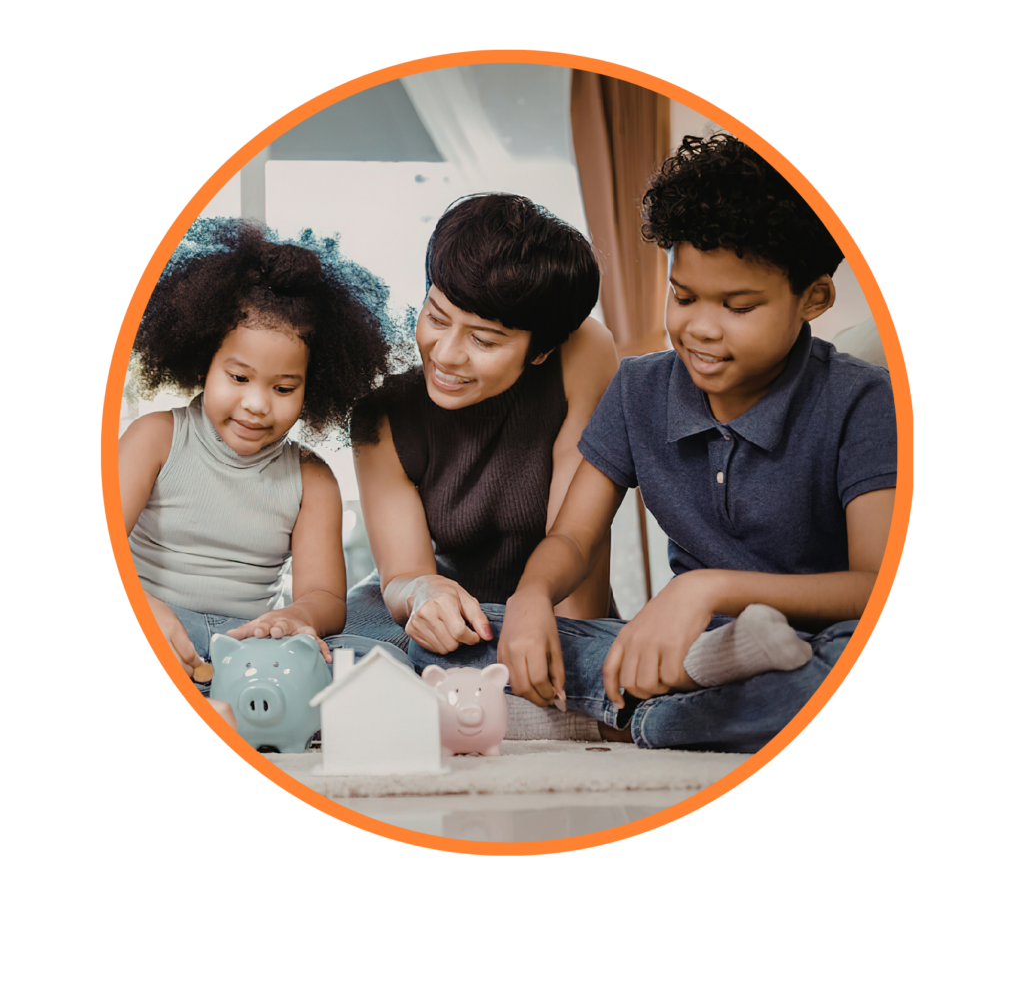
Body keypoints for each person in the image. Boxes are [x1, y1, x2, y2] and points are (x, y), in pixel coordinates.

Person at [423, 134, 897, 753]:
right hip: (684, 650)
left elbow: (875, 585)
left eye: (738, 306)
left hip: (817, 639)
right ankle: (702, 686)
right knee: (456, 628)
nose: (700, 326)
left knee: (858, 665)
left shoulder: (862, 398)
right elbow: (571, 536)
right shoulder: (639, 388)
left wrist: (704, 588)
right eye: (684, 295)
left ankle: (638, 719)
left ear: (813, 298)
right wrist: (532, 595)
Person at [119, 219, 414, 706]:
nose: (257, 404)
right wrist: (140, 610)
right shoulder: (155, 438)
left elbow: (324, 598)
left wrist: (296, 619)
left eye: (283, 388)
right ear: (203, 363)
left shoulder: (312, 479)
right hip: (157, 624)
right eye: (238, 377)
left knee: (383, 661)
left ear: (312, 387)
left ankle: (221, 705)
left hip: (253, 649)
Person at [345, 194, 619, 679]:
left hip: (547, 603)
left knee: (591, 661)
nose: (446, 355)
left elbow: (579, 541)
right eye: (436, 317)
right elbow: (403, 575)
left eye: (484, 340)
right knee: (358, 657)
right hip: (439, 613)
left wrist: (577, 659)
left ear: (541, 350)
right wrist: (423, 593)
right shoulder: (383, 412)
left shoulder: (582, 351)